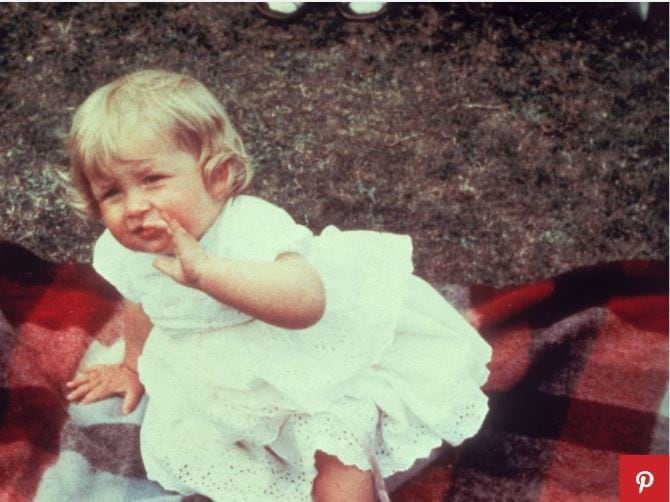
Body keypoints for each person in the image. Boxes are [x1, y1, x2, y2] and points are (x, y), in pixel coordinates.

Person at [64, 69, 491, 502]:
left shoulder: (249, 227)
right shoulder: (128, 250)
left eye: (152, 180)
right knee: (220, 445)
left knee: (333, 440)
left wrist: (208, 273)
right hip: (218, 372)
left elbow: (306, 303)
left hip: (303, 358)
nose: (134, 207)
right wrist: (133, 365)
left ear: (216, 174)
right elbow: (143, 302)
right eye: (111, 193)